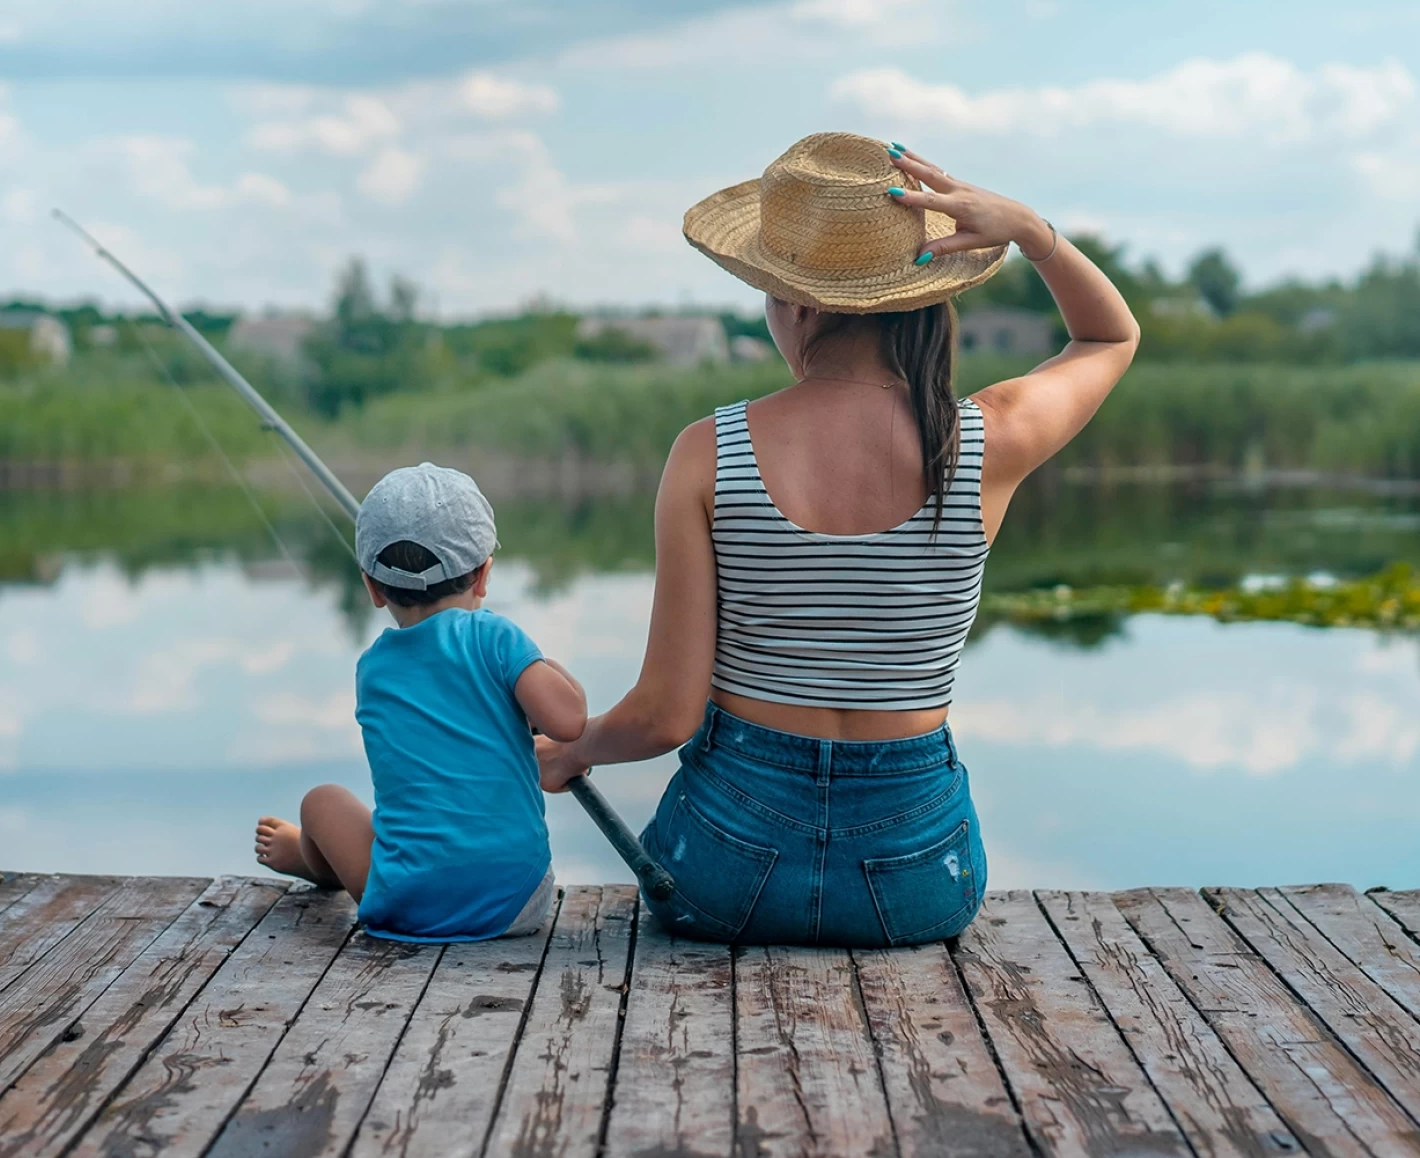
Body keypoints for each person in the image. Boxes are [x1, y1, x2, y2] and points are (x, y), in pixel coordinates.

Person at [534, 132, 1140, 946]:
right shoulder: (987, 441)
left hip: (721, 873)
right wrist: (1031, 231)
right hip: (920, 879)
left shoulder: (709, 451)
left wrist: (574, 751)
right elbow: (1109, 337)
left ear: (801, 304)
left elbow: (665, 716)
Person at [256, 463, 587, 942]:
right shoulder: (497, 639)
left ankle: (316, 865)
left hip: (407, 905)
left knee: (321, 801)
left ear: (371, 587)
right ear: (483, 575)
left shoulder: (373, 669)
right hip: (517, 902)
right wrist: (537, 661)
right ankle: (319, 864)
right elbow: (570, 720)